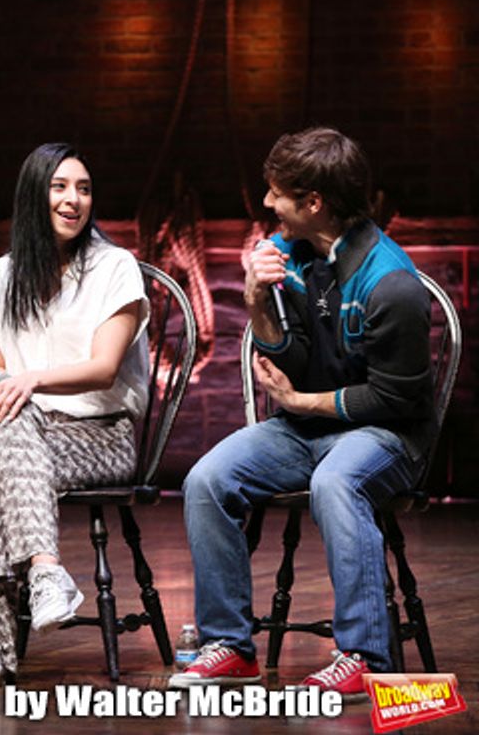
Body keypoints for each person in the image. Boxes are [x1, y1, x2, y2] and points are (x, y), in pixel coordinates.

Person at [170, 127, 434, 698]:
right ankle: (229, 646)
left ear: (314, 203)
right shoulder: (292, 255)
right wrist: (255, 298)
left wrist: (299, 402)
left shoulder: (391, 283)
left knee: (336, 482)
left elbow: (397, 399)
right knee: (207, 479)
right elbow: (294, 355)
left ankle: (365, 655)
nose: (267, 203)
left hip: (387, 434)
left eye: (277, 193)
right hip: (307, 429)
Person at [0, 143, 150, 688]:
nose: (73, 199)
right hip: (27, 433)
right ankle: (42, 575)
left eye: (83, 189)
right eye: (59, 187)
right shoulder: (6, 273)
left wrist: (28, 381)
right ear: (33, 195)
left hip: (101, 435)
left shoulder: (113, 267)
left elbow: (103, 369)